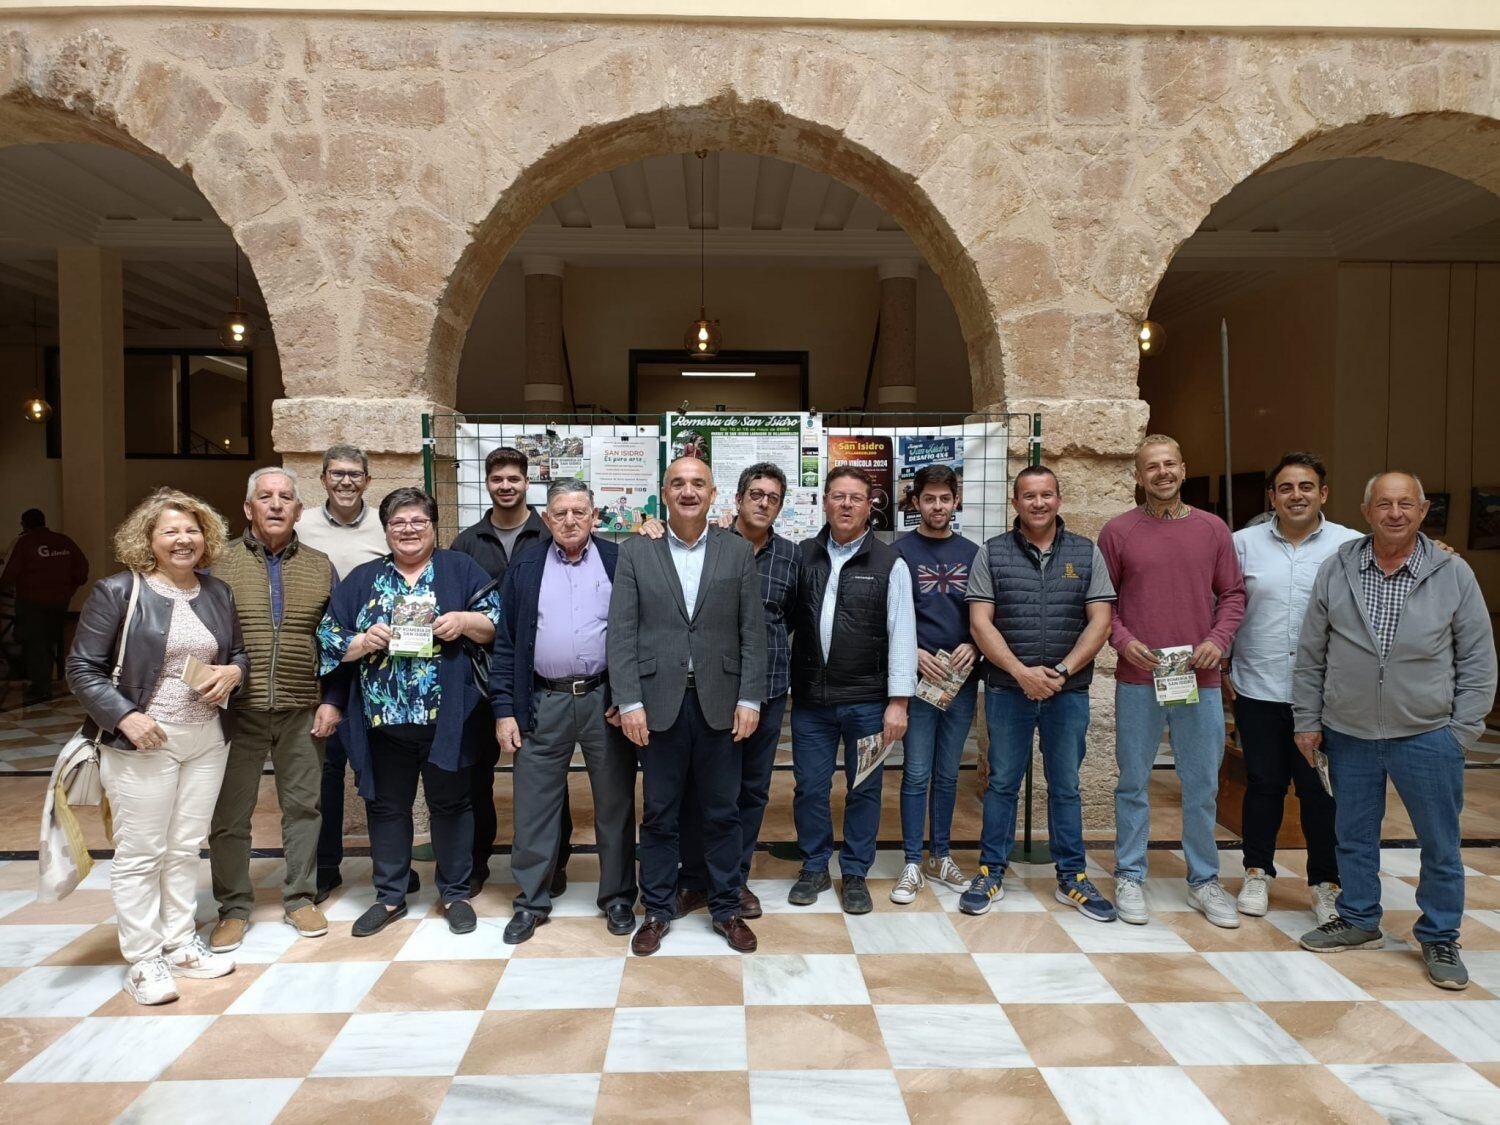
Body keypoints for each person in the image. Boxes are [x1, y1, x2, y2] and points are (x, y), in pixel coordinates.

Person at [1294, 471, 1496, 990]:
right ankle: (1360, 919)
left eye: (1406, 504)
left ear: (1424, 510)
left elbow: (1477, 658)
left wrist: (1462, 729)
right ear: (1366, 511)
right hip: (1350, 731)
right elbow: (1312, 653)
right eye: (1384, 504)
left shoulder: (1453, 572)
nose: (1395, 514)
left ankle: (1440, 934)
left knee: (1440, 842)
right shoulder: (1337, 569)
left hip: (1428, 733)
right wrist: (1308, 720)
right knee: (1353, 834)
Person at [65, 489, 249, 1005]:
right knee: (141, 852)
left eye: (192, 529)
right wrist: (125, 716)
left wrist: (235, 670)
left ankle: (179, 944)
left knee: (185, 847)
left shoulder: (217, 593)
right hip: (145, 740)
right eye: (170, 530)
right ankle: (144, 959)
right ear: (148, 539)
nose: (183, 539)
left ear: (206, 536)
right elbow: (81, 668)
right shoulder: (118, 592)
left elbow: (236, 652)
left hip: (207, 738)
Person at [318, 487, 500, 939]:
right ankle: (390, 895)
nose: (408, 529)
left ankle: (456, 892)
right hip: (384, 721)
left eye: (418, 521)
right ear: (386, 530)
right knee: (386, 807)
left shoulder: (460, 568)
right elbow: (328, 637)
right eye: (398, 523)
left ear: (434, 526)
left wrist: (463, 621)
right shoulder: (362, 579)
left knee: (453, 803)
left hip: (449, 719)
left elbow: (497, 621)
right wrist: (361, 642)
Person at [608, 456, 766, 955]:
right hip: (656, 705)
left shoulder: (736, 551)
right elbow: (622, 634)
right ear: (664, 492)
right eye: (678, 483)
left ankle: (725, 908)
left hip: (722, 703)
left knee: (722, 812)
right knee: (659, 813)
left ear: (714, 493)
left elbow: (752, 633)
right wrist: (628, 701)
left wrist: (749, 699)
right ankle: (656, 909)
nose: (689, 491)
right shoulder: (635, 551)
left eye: (698, 483)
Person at [1100, 435, 1245, 928]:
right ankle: (1129, 874)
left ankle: (1204, 881)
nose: (1161, 473)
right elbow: (1104, 604)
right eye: (1150, 467)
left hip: (1198, 679)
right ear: (1137, 477)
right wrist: (1122, 641)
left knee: (1202, 783)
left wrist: (1218, 640)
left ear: (1183, 470)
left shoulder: (1213, 530)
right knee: (1133, 782)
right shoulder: (1118, 532)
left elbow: (1233, 595)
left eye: (1169, 465)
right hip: (1139, 678)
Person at [964, 465, 1117, 920]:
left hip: (1067, 692)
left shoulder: (1087, 553)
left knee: (1066, 786)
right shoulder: (992, 553)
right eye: (1028, 496)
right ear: (1015, 503)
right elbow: (980, 622)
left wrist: (1061, 672)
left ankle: (1072, 877)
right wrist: (1020, 672)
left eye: (1046, 494)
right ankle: (991, 870)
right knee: (1003, 784)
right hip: (1007, 691)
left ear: (1059, 499)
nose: (1038, 503)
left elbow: (1101, 621)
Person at [493, 478, 637, 944]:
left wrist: (627, 696)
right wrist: (505, 710)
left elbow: (636, 635)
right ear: (547, 518)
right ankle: (532, 900)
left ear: (596, 516)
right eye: (561, 512)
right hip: (541, 700)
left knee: (614, 804)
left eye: (580, 511)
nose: (571, 520)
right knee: (535, 806)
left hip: (604, 701)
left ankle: (616, 896)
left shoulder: (619, 561)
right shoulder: (526, 565)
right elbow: (508, 644)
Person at [206, 468, 340, 953]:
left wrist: (331, 700)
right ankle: (234, 908)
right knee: (229, 813)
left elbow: (334, 639)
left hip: (302, 707)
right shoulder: (217, 564)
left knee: (304, 807)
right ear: (248, 508)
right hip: (233, 711)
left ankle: (300, 896)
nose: (277, 505)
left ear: (299, 511)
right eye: (266, 497)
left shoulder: (321, 565)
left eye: (286, 498)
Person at [1228, 452, 1361, 925]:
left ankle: (1324, 883)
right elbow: (1221, 599)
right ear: (1272, 497)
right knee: (1263, 783)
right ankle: (1257, 871)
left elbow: (1401, 550)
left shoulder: (1351, 544)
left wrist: (1442, 549)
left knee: (1319, 791)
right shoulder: (1242, 544)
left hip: (1325, 694)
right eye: (1286, 488)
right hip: (1258, 685)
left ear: (1323, 494)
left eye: (1306, 487)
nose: (1296, 495)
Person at [667, 462, 799, 922]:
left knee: (752, 791)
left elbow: (791, 620)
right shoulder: (713, 544)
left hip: (767, 690)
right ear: (738, 499)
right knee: (702, 790)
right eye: (756, 494)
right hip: (713, 690)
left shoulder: (790, 558)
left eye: (774, 498)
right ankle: (694, 878)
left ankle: (734, 879)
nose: (764, 503)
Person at [787, 465, 917, 915]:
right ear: (824, 502)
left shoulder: (889, 563)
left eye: (855, 498)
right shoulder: (802, 555)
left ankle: (857, 872)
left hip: (867, 702)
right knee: (809, 787)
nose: (846, 505)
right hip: (810, 703)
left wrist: (898, 702)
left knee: (864, 788)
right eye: (838, 496)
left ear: (869, 506)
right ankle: (814, 866)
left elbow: (903, 634)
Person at [449, 445, 556, 898]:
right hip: (480, 677)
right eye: (498, 480)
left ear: (527, 482)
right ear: (487, 483)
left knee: (549, 779)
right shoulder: (467, 542)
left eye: (514, 479)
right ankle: (476, 864)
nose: (506, 486)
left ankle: (555, 864)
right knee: (477, 776)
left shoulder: (549, 533)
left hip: (542, 678)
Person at [294, 445, 389, 904]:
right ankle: (326, 866)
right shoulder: (302, 525)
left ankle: (389, 867)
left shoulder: (385, 526)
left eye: (355, 474)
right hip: (324, 659)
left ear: (368, 480)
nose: (346, 481)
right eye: (337, 474)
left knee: (382, 768)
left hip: (379, 662)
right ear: (324, 477)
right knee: (325, 768)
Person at [889, 464, 977, 904]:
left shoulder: (974, 553)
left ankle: (940, 855)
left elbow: (986, 614)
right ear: (915, 502)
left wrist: (974, 646)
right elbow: (889, 617)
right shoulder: (899, 552)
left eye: (945, 499)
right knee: (916, 772)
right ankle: (910, 860)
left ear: (956, 501)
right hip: (920, 679)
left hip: (960, 680)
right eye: (929, 499)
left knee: (947, 773)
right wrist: (913, 653)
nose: (938, 506)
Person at [1, 509, 88, 705]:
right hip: (59, 602)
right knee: (49, 641)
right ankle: (50, 682)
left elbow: (10, 573)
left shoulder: (25, 543)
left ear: (24, 525)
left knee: (34, 643)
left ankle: (40, 687)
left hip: (31, 601)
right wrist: (68, 589)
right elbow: (82, 570)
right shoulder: (63, 541)